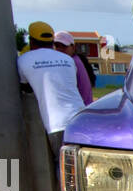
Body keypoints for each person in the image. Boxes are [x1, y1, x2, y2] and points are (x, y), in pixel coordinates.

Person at [17, 20, 84, 161]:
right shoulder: (67, 59)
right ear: (51, 41)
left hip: (57, 124)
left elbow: (25, 88)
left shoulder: (24, 60)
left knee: (66, 170)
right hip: (81, 117)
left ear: (31, 41)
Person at [54, 31, 93, 105]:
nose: (60, 49)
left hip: (80, 109)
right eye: (57, 46)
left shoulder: (70, 63)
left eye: (64, 46)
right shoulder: (76, 60)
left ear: (73, 47)